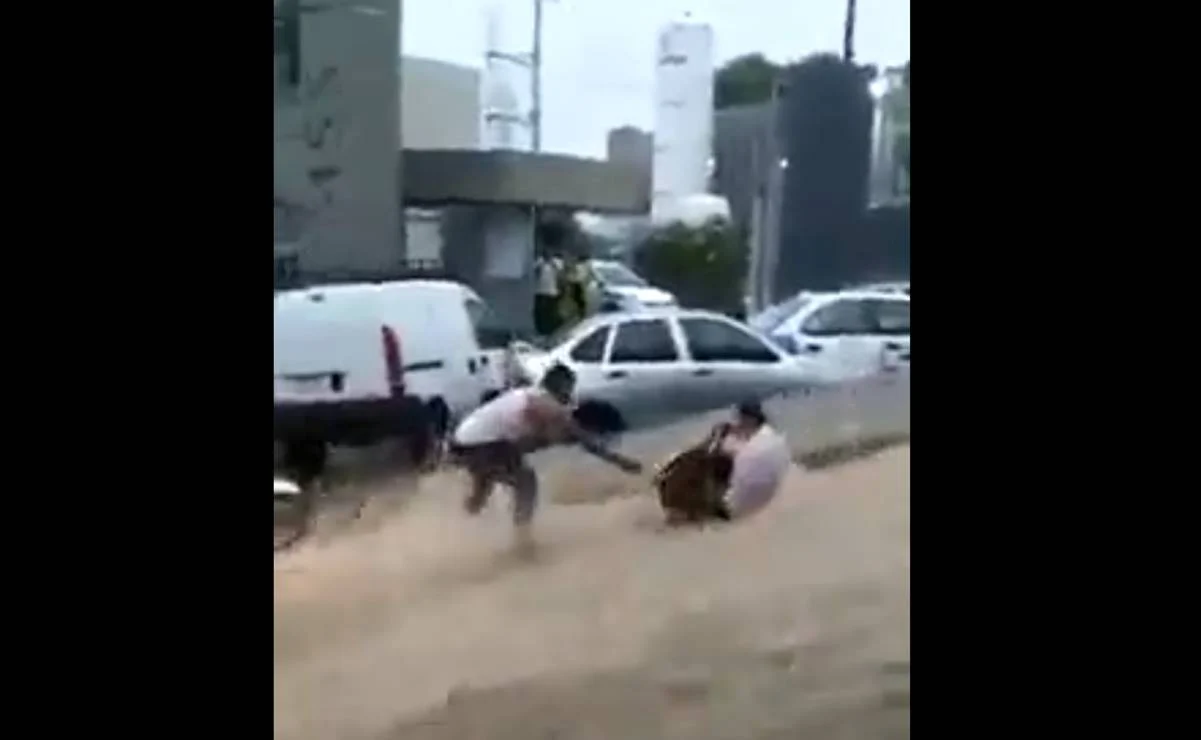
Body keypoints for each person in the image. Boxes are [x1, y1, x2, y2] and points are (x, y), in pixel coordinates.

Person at [450, 363, 643, 549]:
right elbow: (587, 442)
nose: (571, 395)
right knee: (527, 482)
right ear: (561, 386)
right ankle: (522, 541)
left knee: (483, 491)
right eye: (570, 388)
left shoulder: (531, 395)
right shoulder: (550, 408)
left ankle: (455, 533)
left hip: (464, 439)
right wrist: (623, 462)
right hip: (482, 443)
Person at [709, 400, 791, 521]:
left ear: (749, 418)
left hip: (733, 510)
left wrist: (719, 439)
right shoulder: (770, 437)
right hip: (765, 499)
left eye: (741, 417)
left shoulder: (746, 448)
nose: (738, 420)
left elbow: (723, 454)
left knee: (717, 462)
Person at [533, 249, 561, 338]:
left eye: (549, 254)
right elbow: (534, 270)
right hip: (540, 291)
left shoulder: (556, 262)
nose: (547, 255)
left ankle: (550, 330)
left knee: (550, 312)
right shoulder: (540, 262)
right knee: (540, 312)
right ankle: (540, 330)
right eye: (546, 254)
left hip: (552, 292)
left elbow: (560, 271)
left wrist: (552, 262)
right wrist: (541, 263)